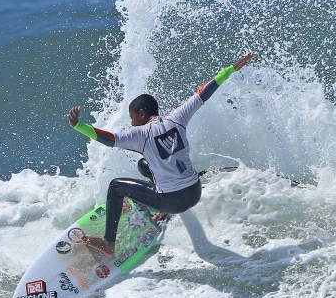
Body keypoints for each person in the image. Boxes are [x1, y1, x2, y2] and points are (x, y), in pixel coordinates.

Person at [68, 52, 256, 257]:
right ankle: (161, 207)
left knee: (115, 186)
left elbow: (108, 139)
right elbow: (203, 92)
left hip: (171, 202)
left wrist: (79, 125)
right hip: (194, 192)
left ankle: (108, 244)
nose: (131, 123)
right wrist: (229, 70)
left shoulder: (140, 134)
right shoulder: (178, 117)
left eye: (132, 117)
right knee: (143, 164)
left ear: (142, 114)